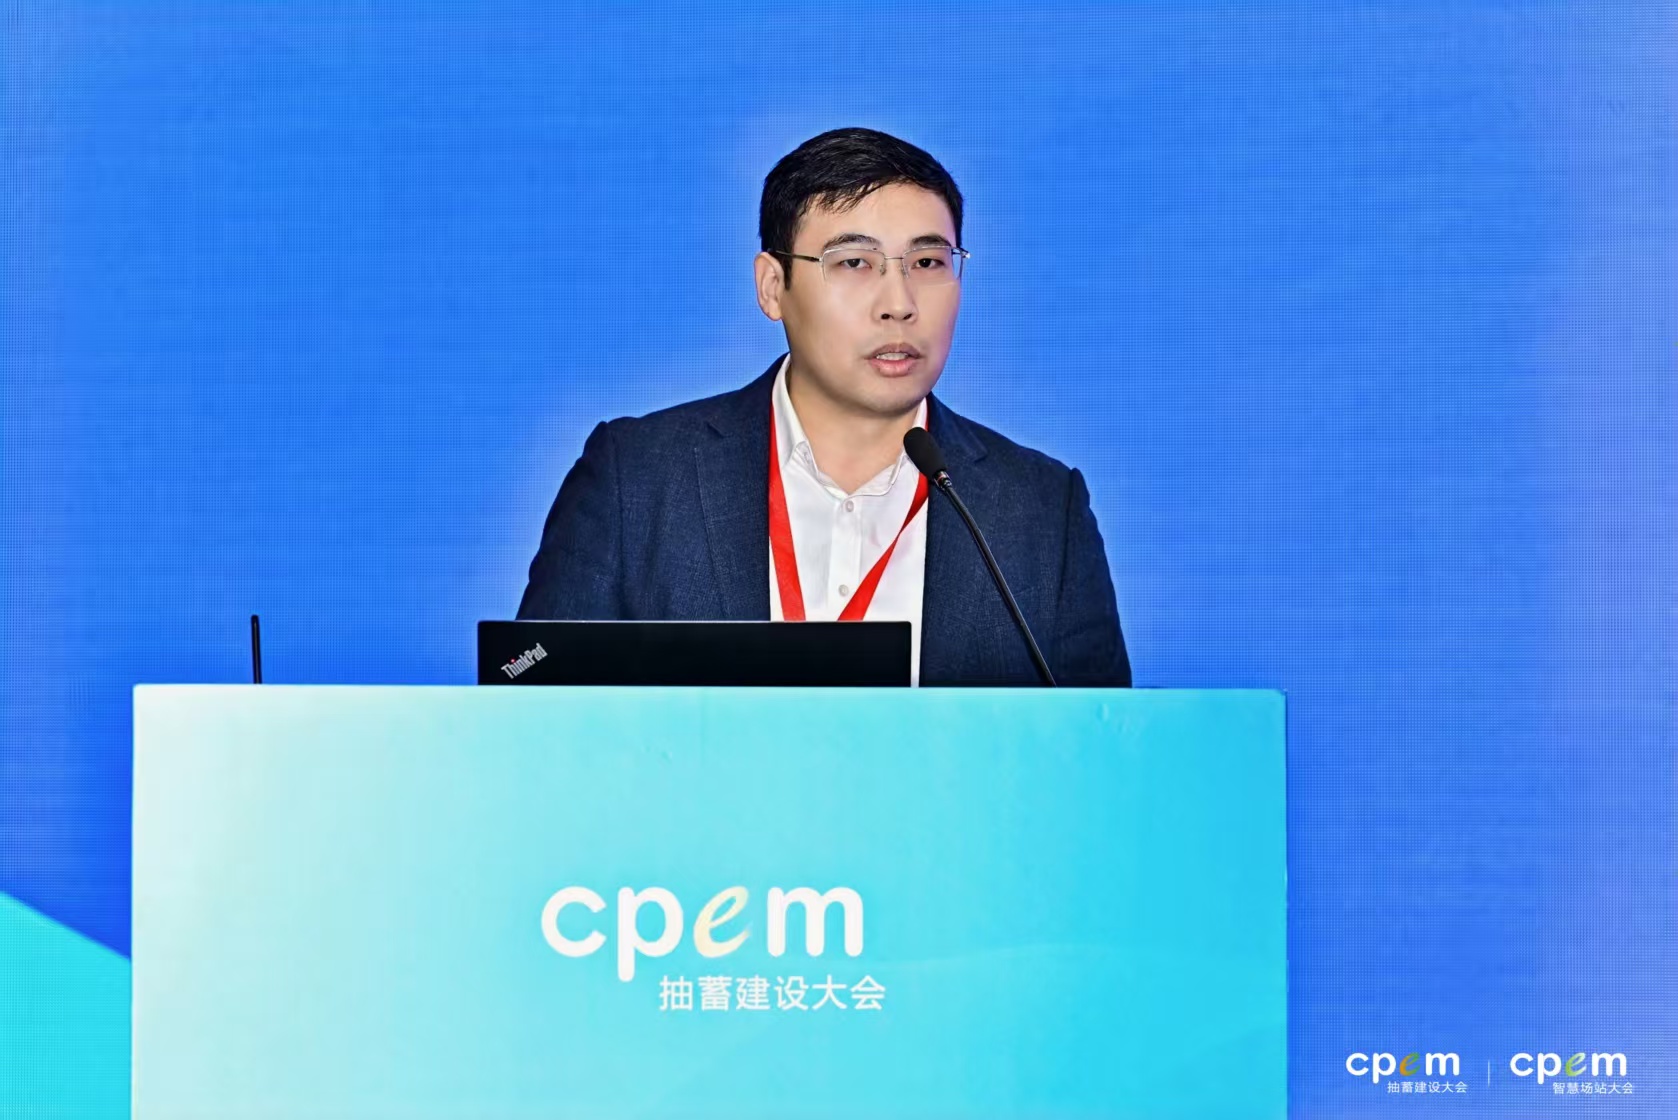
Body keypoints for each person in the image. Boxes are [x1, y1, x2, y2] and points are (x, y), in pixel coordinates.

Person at [517, 127, 1129, 686]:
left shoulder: (1041, 511)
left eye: (927, 262)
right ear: (772, 287)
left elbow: (1107, 747)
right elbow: (528, 689)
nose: (899, 303)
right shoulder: (638, 478)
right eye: (854, 263)